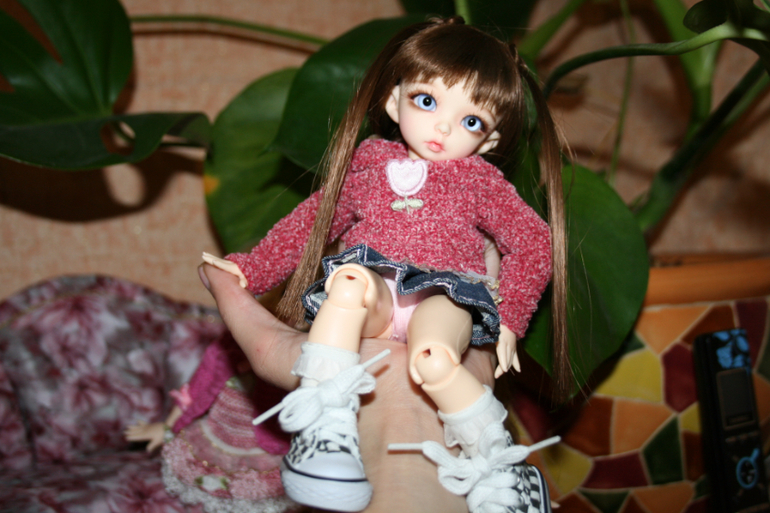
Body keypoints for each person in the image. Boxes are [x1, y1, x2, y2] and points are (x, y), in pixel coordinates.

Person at [202, 16, 569, 513]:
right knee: (348, 283)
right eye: (427, 101)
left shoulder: (481, 182)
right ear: (394, 102)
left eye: (471, 121)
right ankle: (327, 428)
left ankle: (497, 466)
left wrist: (509, 319)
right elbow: (315, 220)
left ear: (487, 142)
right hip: (375, 289)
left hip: (442, 294)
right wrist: (254, 267)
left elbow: (534, 241)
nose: (444, 127)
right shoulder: (368, 163)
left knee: (435, 359)